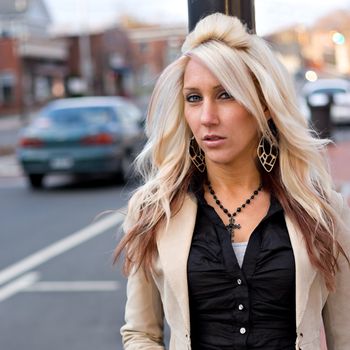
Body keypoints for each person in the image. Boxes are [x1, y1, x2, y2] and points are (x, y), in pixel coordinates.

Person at [114, 13, 350, 350]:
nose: (207, 117)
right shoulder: (155, 210)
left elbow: (345, 334)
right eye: (194, 98)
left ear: (264, 105)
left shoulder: (320, 208)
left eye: (225, 95)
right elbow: (141, 333)